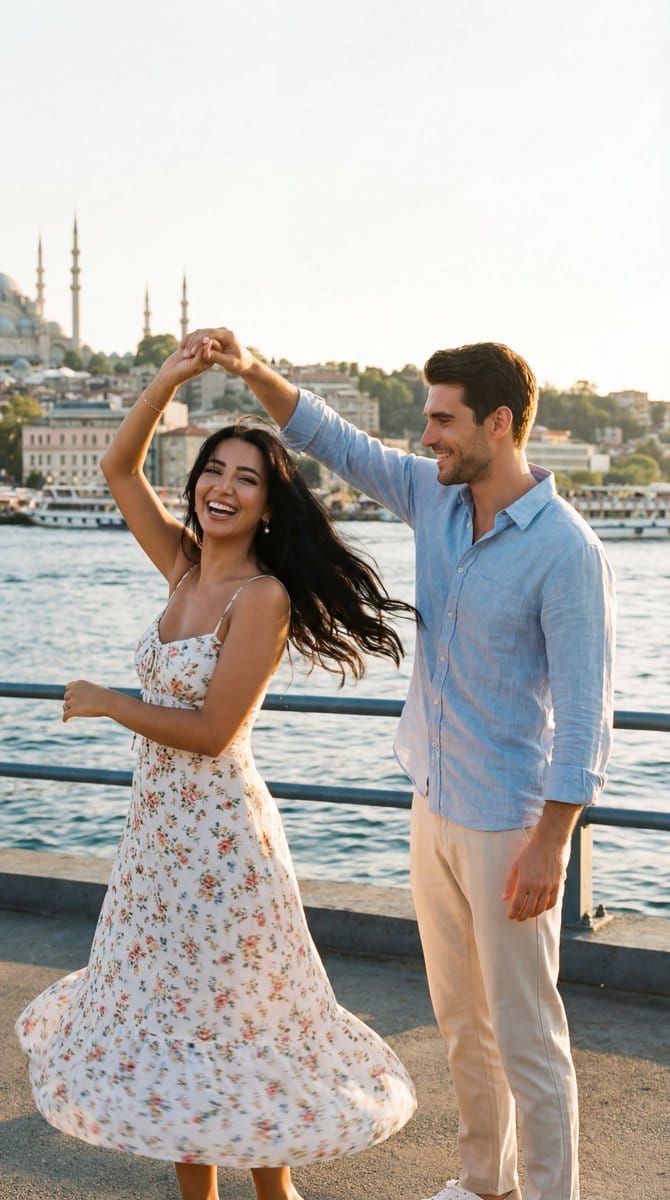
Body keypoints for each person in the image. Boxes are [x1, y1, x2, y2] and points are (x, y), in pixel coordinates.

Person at [180, 328, 616, 1200]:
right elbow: (333, 439)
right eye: (426, 420)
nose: (428, 438)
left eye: (444, 421)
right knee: (462, 1022)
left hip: (509, 823)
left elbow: (586, 711)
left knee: (528, 1035)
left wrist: (552, 840)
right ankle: (482, 1182)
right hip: (433, 804)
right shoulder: (435, 498)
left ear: (499, 423)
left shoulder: (567, 550)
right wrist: (247, 368)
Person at [15, 341, 418, 1200]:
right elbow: (119, 467)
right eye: (213, 472)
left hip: (223, 847)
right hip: (157, 845)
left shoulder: (262, 597)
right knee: (176, 1029)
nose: (222, 489)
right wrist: (169, 380)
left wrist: (110, 700)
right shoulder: (184, 567)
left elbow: (211, 730)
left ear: (270, 506)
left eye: (246, 479)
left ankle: (275, 1190)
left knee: (243, 1023)